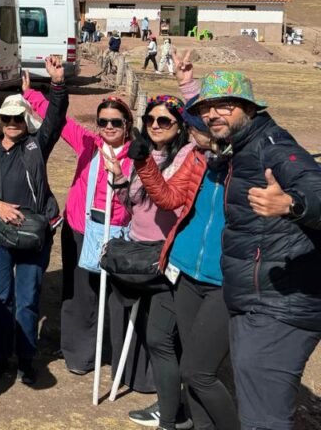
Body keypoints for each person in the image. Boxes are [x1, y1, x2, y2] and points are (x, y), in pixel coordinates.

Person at [187, 71, 321, 430]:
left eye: (224, 105)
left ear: (248, 107)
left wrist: (292, 205)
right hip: (258, 299)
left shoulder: (274, 147)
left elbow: (316, 189)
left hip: (279, 307)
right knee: (255, 414)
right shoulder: (241, 148)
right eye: (207, 108)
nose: (213, 114)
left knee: (263, 421)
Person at [115, 58, 239, 430]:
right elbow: (168, 198)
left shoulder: (242, 164)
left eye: (173, 121)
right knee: (184, 360)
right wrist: (143, 166)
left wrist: (188, 85)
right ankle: (175, 419)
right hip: (182, 267)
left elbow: (209, 118)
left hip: (221, 277)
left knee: (199, 371)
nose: (195, 125)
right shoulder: (197, 160)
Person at [25, 88, 148, 389]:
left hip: (118, 233)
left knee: (115, 297)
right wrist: (31, 93)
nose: (108, 127)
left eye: (115, 122)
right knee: (79, 292)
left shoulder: (138, 157)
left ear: (127, 125)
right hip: (80, 228)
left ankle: (118, 355)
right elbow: (60, 120)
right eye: (103, 121)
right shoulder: (89, 145)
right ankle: (78, 353)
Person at [0, 57, 67, 385]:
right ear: (0, 121)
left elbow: (55, 118)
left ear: (25, 119)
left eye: (18, 117)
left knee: (28, 297)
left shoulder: (36, 146)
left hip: (32, 234)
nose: (12, 122)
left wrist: (58, 85)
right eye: (7, 117)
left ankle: (26, 359)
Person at [107, 93, 193, 430]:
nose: (155, 126)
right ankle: (169, 403)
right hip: (138, 251)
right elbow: (134, 204)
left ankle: (172, 409)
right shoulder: (142, 154)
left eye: (165, 120)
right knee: (153, 333)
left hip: (166, 254)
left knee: (163, 337)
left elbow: (169, 199)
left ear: (179, 125)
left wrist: (188, 85)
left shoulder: (187, 155)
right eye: (150, 120)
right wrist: (119, 177)